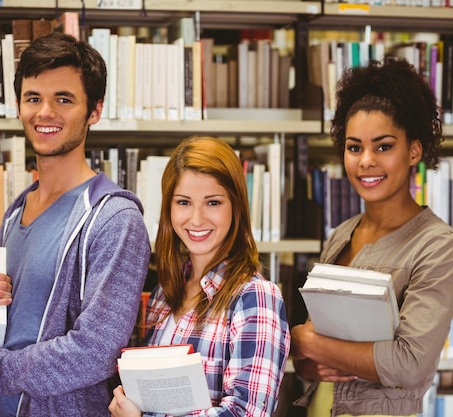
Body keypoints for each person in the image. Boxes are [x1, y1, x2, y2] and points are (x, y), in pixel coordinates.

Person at [0, 31, 152, 416]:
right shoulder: (15, 211)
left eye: (63, 99)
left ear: (94, 111)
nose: (44, 112)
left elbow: (94, 353)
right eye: (33, 98)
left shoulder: (114, 219)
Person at [291, 57, 453, 417]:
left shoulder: (437, 245)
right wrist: (304, 357)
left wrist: (305, 341)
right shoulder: (341, 235)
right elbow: (307, 360)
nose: (366, 161)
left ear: (414, 150)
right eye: (354, 147)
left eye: (383, 146)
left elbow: (409, 364)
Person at [108, 136, 291, 417]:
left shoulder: (256, 297)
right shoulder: (164, 293)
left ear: (236, 207)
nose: (196, 219)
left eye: (213, 203)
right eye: (183, 202)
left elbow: (246, 413)